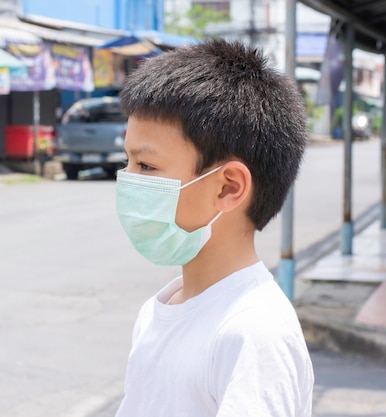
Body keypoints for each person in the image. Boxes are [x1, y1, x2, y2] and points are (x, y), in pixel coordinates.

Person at [114, 38, 314, 416]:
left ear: (229, 187)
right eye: (128, 162)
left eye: (146, 167)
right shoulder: (161, 309)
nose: (127, 180)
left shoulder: (253, 333)